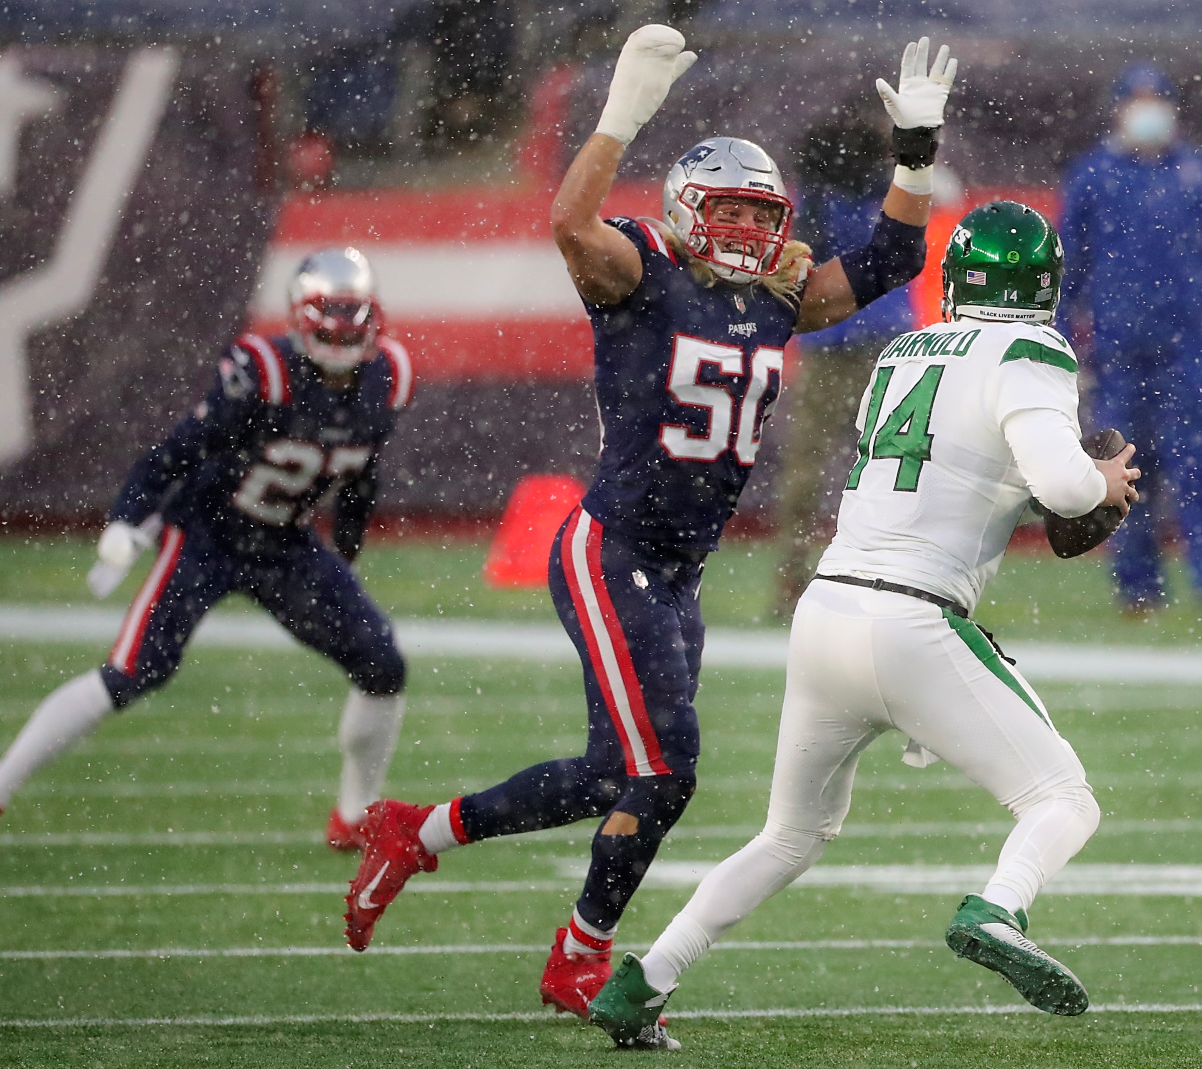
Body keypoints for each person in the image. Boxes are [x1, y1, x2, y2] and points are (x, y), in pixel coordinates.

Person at [342, 26, 957, 1043]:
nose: (751, 234)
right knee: (665, 769)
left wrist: (916, 153)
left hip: (678, 570)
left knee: (608, 774)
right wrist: (621, 113)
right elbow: (568, 220)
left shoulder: (773, 301)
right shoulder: (642, 274)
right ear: (685, 211)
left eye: (765, 217)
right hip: (610, 548)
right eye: (732, 214)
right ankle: (580, 954)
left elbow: (894, 254)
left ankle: (419, 830)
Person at [586, 201, 1142, 1047]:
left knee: (787, 836)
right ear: (1045, 285)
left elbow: (940, 472)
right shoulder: (1033, 349)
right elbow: (1067, 491)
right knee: (1062, 800)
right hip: (913, 622)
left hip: (828, 609)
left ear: (958, 281)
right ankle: (997, 906)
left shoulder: (905, 350)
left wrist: (1038, 491)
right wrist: (1102, 485)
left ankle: (643, 983)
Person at [0, 248, 414, 858]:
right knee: (132, 674)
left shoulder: (389, 378)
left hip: (285, 542)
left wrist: (346, 544)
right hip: (207, 534)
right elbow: (179, 449)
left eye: (354, 313)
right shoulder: (262, 370)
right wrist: (129, 518)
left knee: (382, 665)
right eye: (332, 313)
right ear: (300, 317)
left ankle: (354, 816)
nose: (345, 329)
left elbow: (363, 467)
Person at [1059, 64, 1202, 615]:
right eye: (1136, 100)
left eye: (1156, 100)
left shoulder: (1199, 174)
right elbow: (1070, 271)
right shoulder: (1093, 176)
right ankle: (1137, 589)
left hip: (1186, 349)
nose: (1147, 110)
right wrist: (1068, 347)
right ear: (1118, 108)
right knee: (1124, 474)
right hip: (1117, 350)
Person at [772, 110, 915, 616]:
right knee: (819, 472)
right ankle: (797, 574)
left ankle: (893, 578)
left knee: (887, 467)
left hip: (876, 344)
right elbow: (805, 253)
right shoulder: (832, 194)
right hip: (848, 346)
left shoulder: (885, 188)